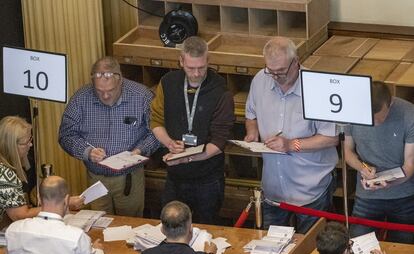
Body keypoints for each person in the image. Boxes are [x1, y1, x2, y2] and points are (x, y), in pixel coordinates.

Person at [244, 36, 338, 232]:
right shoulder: (261, 80)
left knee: (310, 251)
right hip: (273, 188)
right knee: (270, 250)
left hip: (311, 188)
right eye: (271, 71)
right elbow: (250, 114)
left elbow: (331, 137)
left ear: (296, 62)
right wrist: (251, 132)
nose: (276, 77)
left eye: (281, 71)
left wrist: (290, 144)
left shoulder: (317, 88)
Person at [59, 56, 160, 217]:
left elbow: (157, 131)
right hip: (96, 178)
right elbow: (66, 134)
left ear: (120, 81)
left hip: (129, 178)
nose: (105, 96)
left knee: (130, 224)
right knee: (99, 224)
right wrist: (86, 151)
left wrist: (140, 150)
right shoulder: (80, 98)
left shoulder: (142, 96)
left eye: (110, 91)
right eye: (99, 91)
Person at [150, 36, 234, 224]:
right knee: (172, 229)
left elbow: (221, 140)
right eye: (190, 68)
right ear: (181, 61)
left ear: (208, 60)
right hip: (175, 177)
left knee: (207, 229)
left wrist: (188, 157)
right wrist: (169, 143)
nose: (196, 73)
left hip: (208, 178)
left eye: (201, 67)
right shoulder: (168, 83)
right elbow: (156, 121)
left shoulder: (220, 89)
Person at [5, 175, 110, 254]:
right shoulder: (76, 237)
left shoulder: (13, 230)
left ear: (39, 199)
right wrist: (98, 250)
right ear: (66, 200)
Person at [344, 81, 414, 243]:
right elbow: (347, 150)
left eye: (379, 118)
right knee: (359, 246)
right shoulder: (351, 112)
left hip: (403, 195)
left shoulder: (409, 114)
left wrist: (390, 183)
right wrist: (362, 168)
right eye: (370, 119)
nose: (374, 123)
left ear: (390, 103)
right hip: (367, 194)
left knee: (403, 248)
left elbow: (410, 164)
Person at [0, 116, 83, 224]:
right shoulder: (5, 175)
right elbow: (20, 215)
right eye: (26, 143)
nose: (30, 145)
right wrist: (62, 204)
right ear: (11, 145)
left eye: (30, 139)